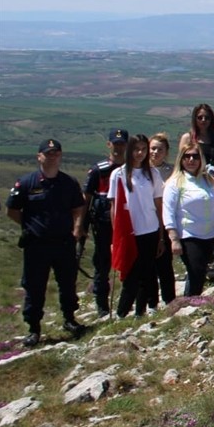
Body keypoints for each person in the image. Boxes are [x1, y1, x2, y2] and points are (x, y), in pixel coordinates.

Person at [6, 138, 86, 347]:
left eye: (56, 153)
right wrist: (30, 225)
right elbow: (12, 210)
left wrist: (77, 228)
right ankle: (34, 329)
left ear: (60, 156)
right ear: (39, 157)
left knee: (67, 284)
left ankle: (70, 319)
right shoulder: (26, 183)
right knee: (34, 287)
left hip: (64, 243)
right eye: (48, 153)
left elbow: (78, 207)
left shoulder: (68, 183)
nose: (52, 157)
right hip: (37, 245)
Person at [108, 134, 166, 318]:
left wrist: (161, 235)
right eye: (136, 149)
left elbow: (158, 204)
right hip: (129, 232)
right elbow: (114, 208)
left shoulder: (153, 174)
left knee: (148, 272)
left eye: (143, 149)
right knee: (131, 274)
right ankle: (122, 313)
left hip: (150, 229)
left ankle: (147, 308)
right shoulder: (118, 174)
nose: (140, 153)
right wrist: (116, 236)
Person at [162, 143, 214, 297]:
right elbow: (168, 212)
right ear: (181, 159)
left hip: (209, 235)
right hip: (188, 235)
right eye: (187, 156)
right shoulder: (175, 183)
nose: (191, 160)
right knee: (196, 270)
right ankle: (190, 302)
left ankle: (191, 301)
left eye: (195, 156)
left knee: (200, 272)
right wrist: (174, 239)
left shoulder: (208, 180)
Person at [82, 128, 128, 318]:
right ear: (109, 144)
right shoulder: (98, 170)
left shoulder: (132, 168)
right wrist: (81, 225)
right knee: (102, 264)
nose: (118, 147)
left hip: (126, 224)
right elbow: (86, 199)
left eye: (122, 143)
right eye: (115, 144)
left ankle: (127, 302)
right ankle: (102, 306)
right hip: (102, 225)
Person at [148, 132, 176, 306]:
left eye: (160, 149)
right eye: (153, 148)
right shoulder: (141, 170)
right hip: (145, 221)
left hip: (165, 221)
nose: (155, 152)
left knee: (165, 263)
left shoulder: (172, 172)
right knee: (147, 265)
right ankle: (150, 302)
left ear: (166, 152)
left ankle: (169, 300)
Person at [179, 103, 214, 173]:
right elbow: (181, 161)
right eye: (200, 117)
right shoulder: (187, 138)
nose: (203, 120)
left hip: (212, 176)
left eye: (207, 118)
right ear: (195, 119)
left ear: (211, 119)